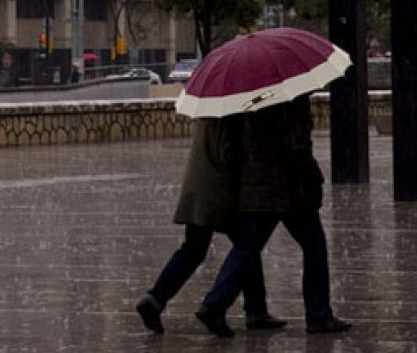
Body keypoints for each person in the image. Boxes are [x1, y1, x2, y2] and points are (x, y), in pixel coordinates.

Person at [195, 96, 351, 337]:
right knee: (314, 247)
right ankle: (318, 315)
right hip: (288, 187)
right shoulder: (291, 97)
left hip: (256, 184)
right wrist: (313, 176)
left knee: (246, 248)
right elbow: (296, 145)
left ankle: (215, 304)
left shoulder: (252, 96)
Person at [136, 117, 285, 334]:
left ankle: (154, 299)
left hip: (198, 188)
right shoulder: (230, 115)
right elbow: (228, 153)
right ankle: (250, 310)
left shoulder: (209, 111)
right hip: (219, 191)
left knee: (194, 249)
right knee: (247, 245)